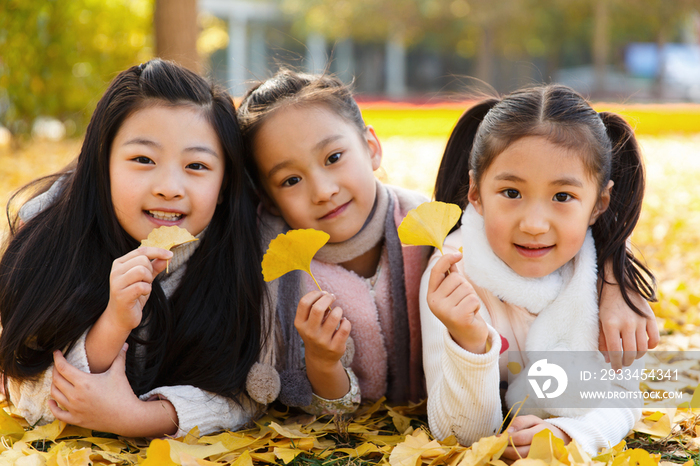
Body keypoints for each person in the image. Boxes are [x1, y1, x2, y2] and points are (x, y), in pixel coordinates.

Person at [0, 59, 267, 437]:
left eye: (196, 165)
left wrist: (137, 418)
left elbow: (246, 390)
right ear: (101, 164)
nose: (169, 187)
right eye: (143, 159)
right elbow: (27, 393)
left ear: (224, 185)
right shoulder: (54, 239)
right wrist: (114, 322)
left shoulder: (241, 253)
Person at [420, 85, 657, 456]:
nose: (533, 224)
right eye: (511, 193)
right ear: (476, 192)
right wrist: (468, 341)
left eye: (562, 197)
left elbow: (623, 400)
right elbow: (454, 432)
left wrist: (568, 435)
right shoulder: (451, 278)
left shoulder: (608, 286)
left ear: (599, 204)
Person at [236, 70, 429, 414]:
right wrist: (323, 363)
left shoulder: (429, 232)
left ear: (371, 148)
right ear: (268, 198)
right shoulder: (275, 272)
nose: (324, 191)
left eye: (334, 158)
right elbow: (330, 411)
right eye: (291, 179)